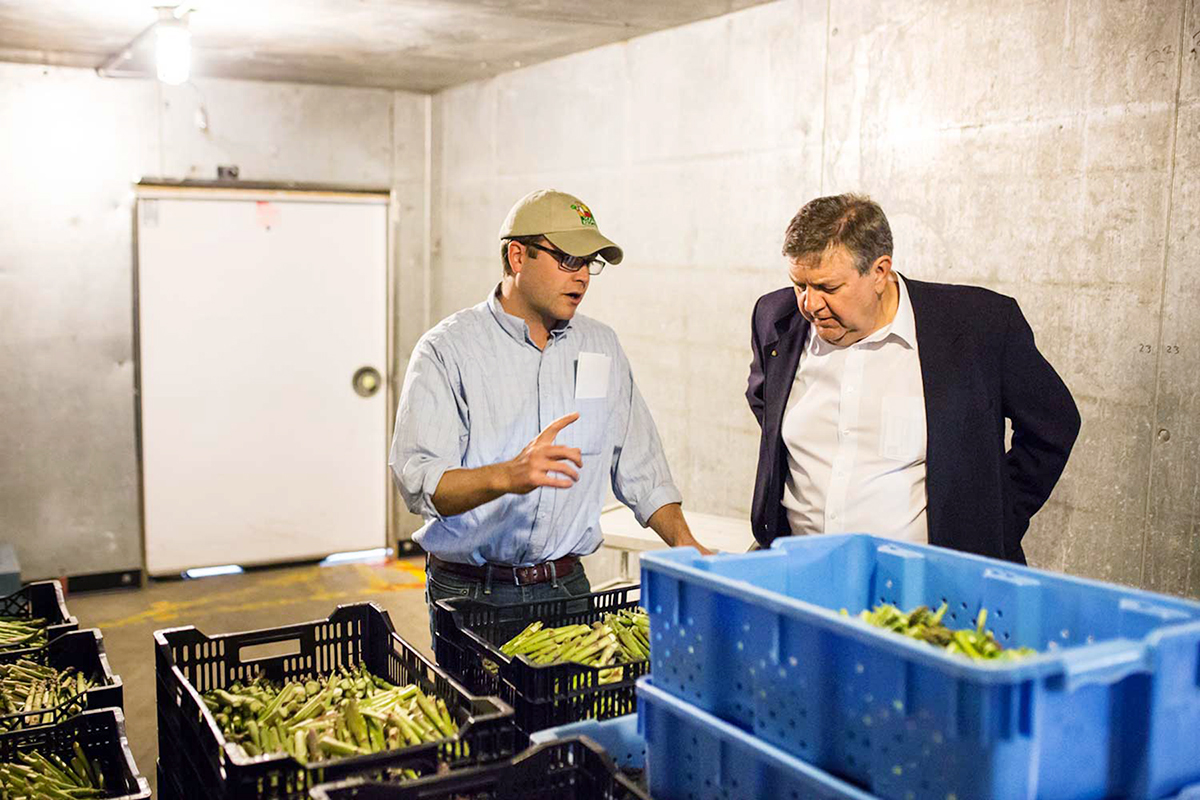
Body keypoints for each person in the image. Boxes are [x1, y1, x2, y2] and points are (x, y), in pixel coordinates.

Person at [391, 189, 708, 636]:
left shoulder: (600, 346)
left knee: (573, 709)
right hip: (473, 596)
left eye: (589, 263)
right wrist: (508, 474)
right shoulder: (448, 351)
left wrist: (686, 545)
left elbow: (641, 467)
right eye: (568, 260)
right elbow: (419, 481)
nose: (581, 277)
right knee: (483, 708)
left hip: (568, 589)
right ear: (518, 256)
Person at [746, 194, 1079, 563]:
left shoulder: (980, 327)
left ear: (879, 271)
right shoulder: (775, 319)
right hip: (802, 574)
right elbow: (766, 405)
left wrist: (994, 523)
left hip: (934, 591)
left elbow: (1053, 426)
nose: (809, 304)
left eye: (827, 288)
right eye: (800, 284)